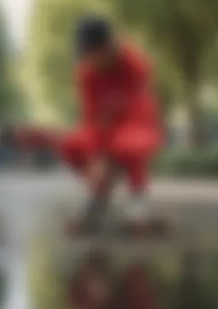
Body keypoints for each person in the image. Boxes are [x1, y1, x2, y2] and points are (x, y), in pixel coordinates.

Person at [60, 16, 163, 228]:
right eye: (86, 54)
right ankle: (98, 194)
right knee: (71, 145)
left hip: (138, 123)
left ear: (108, 46)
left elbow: (141, 110)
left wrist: (108, 156)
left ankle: (137, 198)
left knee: (129, 144)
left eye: (93, 53)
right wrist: (97, 157)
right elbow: (90, 117)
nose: (90, 60)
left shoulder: (136, 65)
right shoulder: (86, 74)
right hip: (103, 128)